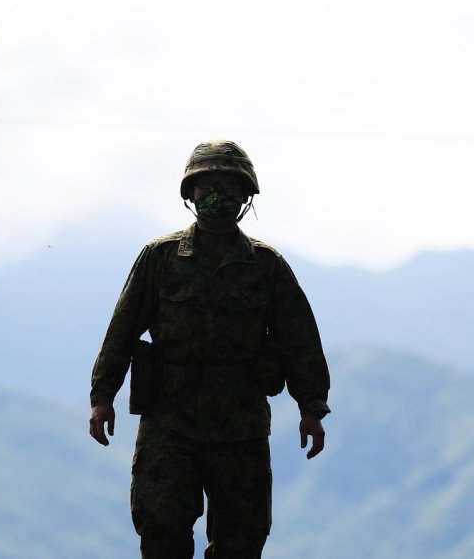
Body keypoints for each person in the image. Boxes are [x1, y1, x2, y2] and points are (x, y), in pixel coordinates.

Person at [89, 140, 331, 559]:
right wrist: (102, 397)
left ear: (245, 196)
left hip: (241, 425)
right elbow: (122, 330)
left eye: (227, 184)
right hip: (169, 420)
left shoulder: (265, 265)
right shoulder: (160, 258)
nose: (217, 193)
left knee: (241, 540)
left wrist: (312, 407)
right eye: (207, 184)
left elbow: (300, 339)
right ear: (191, 194)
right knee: (162, 534)